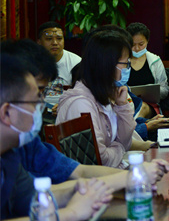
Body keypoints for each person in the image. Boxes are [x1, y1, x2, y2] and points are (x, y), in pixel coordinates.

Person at [2, 39, 168, 188]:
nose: (41, 104)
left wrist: (134, 176)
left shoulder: (27, 145)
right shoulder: (80, 103)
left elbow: (78, 172)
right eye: (37, 95)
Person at [0, 54, 112, 221]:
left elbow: (34, 200)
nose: (41, 109)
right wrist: (72, 213)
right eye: (35, 102)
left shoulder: (9, 156)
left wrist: (76, 190)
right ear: (7, 112)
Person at [56, 31, 153, 168]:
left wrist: (122, 105)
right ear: (107, 65)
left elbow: (125, 142)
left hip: (113, 171)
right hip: (97, 178)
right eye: (125, 63)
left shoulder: (104, 96)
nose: (128, 69)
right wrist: (119, 147)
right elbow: (100, 159)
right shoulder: (81, 104)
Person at [126, 22, 169, 100]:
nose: (137, 48)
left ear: (147, 41)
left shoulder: (155, 60)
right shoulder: (121, 61)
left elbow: (165, 90)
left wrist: (152, 91)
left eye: (141, 44)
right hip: (127, 103)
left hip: (149, 103)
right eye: (132, 45)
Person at [36, 21, 81, 88]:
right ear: (39, 42)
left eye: (59, 38)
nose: (55, 43)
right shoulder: (31, 63)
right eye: (49, 39)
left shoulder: (76, 63)